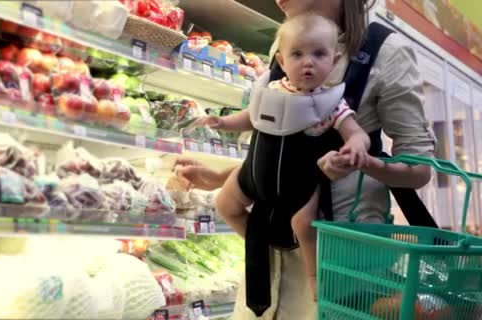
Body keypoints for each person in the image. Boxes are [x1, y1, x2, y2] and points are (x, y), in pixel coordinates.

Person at [174, 0, 436, 318]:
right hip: (263, 265)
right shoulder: (283, 43)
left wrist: (365, 162)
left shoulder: (384, 50)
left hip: (339, 271)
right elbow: (282, 147)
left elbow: (419, 169)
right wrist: (220, 177)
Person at [197, 12, 371, 301]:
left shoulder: (331, 105)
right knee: (225, 204)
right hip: (253, 175)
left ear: (335, 60)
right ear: (281, 61)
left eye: (319, 54)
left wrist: (355, 144)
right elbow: (251, 118)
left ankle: (314, 276)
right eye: (297, 54)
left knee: (304, 224)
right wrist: (223, 123)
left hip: (300, 182)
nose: (308, 62)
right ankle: (257, 244)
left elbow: (357, 132)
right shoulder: (272, 91)